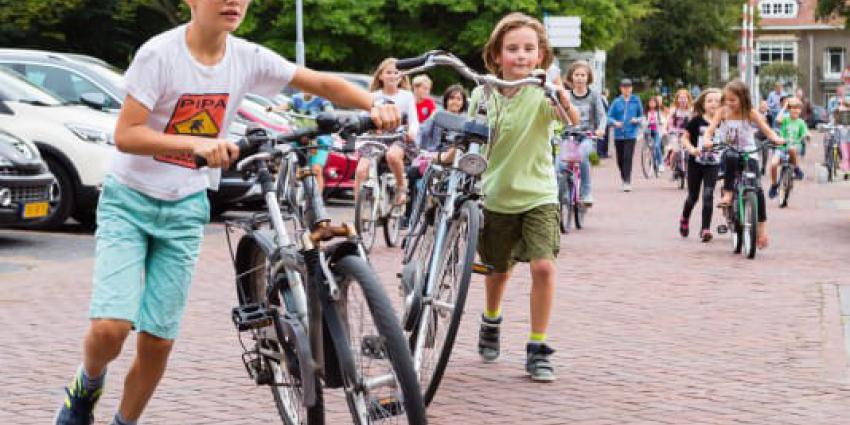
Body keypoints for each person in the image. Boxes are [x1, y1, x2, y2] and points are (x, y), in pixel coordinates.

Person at [52, 1, 401, 424]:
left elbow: (319, 82)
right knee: (112, 328)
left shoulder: (246, 58)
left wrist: (373, 104)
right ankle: (86, 386)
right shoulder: (158, 55)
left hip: (184, 210)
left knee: (158, 342)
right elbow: (127, 134)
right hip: (131, 201)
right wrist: (194, 144)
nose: (233, 2)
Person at [472, 12, 579, 382]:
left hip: (539, 195)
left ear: (540, 56)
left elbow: (570, 118)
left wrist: (560, 92)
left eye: (529, 49)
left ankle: (537, 346)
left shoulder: (542, 93)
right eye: (512, 48)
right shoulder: (482, 92)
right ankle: (491, 318)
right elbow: (469, 141)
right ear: (497, 55)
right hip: (496, 195)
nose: (521, 55)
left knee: (543, 266)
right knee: (498, 271)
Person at [704, 79, 783, 250]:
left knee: (757, 188)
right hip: (728, 150)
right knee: (731, 156)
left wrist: (776, 139)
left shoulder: (751, 113)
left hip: (749, 152)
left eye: (733, 100)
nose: (729, 103)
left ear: (743, 98)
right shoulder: (722, 112)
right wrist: (707, 139)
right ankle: (728, 193)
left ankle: (762, 230)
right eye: (727, 99)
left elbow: (766, 130)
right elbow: (710, 130)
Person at [354, 58, 419, 206]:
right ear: (380, 76)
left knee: (392, 156)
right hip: (376, 136)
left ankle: (401, 186)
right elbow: (363, 116)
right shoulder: (373, 96)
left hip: (398, 136)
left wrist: (412, 131)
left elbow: (414, 121)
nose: (392, 75)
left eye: (396, 72)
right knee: (361, 170)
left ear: (401, 76)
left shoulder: (407, 96)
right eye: (388, 72)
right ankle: (358, 207)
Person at [405, 84, 467, 221]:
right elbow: (422, 132)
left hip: (455, 157)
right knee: (412, 173)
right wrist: (416, 143)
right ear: (446, 100)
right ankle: (410, 215)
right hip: (434, 154)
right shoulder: (437, 115)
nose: (455, 101)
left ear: (463, 102)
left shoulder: (466, 120)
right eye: (451, 98)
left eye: (458, 98)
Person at [679, 88, 722, 242]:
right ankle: (685, 217)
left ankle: (705, 229)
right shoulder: (696, 120)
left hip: (713, 163)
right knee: (693, 197)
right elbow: (684, 138)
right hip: (696, 163)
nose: (713, 104)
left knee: (708, 194)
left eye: (717, 101)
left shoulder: (724, 121)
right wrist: (691, 149)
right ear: (703, 104)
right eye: (710, 101)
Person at [564, 60, 606, 206]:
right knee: (560, 164)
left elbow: (602, 116)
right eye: (577, 75)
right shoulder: (566, 95)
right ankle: (562, 191)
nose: (580, 78)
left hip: (587, 137)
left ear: (588, 78)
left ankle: (586, 192)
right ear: (571, 77)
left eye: (583, 75)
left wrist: (600, 129)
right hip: (568, 135)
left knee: (581, 155)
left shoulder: (594, 96)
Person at [285, 91, 335, 191]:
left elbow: (329, 111)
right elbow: (286, 106)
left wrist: (328, 114)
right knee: (292, 164)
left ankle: (317, 201)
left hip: (318, 139)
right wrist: (272, 108)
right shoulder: (296, 98)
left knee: (316, 169)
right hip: (300, 137)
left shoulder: (322, 99)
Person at [607, 78, 643, 191]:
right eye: (624, 87)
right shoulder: (616, 102)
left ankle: (627, 181)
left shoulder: (636, 101)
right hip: (618, 135)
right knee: (620, 159)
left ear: (631, 88)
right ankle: (624, 178)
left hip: (631, 134)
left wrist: (636, 120)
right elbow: (608, 117)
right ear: (621, 89)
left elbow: (642, 116)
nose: (627, 90)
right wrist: (615, 122)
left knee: (628, 157)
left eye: (629, 87)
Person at [768, 97, 807, 199]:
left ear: (800, 110)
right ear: (789, 109)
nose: (795, 110)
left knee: (792, 149)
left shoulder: (801, 122)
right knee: (773, 164)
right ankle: (773, 185)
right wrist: (784, 106)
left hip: (794, 147)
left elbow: (805, 133)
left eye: (797, 108)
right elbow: (777, 120)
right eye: (792, 107)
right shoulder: (785, 118)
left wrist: (807, 137)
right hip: (781, 147)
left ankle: (796, 169)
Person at [664, 89, 692, 171]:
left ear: (688, 99)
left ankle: (687, 171)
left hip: (686, 134)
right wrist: (665, 130)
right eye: (680, 98)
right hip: (674, 132)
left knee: (689, 151)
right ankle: (672, 168)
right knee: (675, 150)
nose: (682, 100)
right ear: (677, 99)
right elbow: (667, 120)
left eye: (684, 98)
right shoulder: (674, 109)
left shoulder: (691, 110)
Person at [643, 96, 665, 172]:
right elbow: (643, 121)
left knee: (656, 146)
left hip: (656, 132)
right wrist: (644, 123)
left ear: (656, 104)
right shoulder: (646, 112)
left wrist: (660, 122)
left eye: (653, 102)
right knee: (648, 147)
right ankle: (650, 159)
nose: (652, 104)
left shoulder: (658, 112)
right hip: (648, 132)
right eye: (650, 102)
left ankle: (661, 163)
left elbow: (663, 120)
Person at [599, 87, 611, 158]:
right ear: (605, 93)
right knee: (602, 137)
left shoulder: (606, 100)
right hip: (602, 121)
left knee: (606, 137)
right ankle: (601, 153)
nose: (608, 94)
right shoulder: (600, 99)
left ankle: (605, 152)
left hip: (606, 120)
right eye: (608, 92)